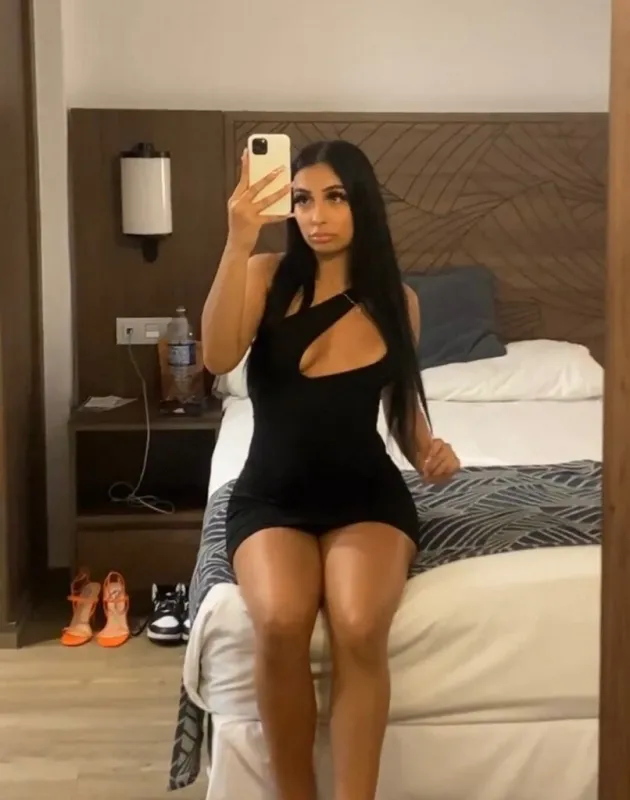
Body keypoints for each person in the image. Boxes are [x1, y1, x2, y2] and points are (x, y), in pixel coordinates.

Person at [202, 139, 461, 800]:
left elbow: (400, 407)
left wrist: (428, 452)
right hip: (271, 497)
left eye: (335, 197)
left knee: (359, 624)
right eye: (302, 200)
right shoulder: (265, 275)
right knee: (281, 621)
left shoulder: (397, 300)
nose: (317, 215)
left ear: (361, 203)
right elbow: (217, 355)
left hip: (366, 498)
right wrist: (237, 241)